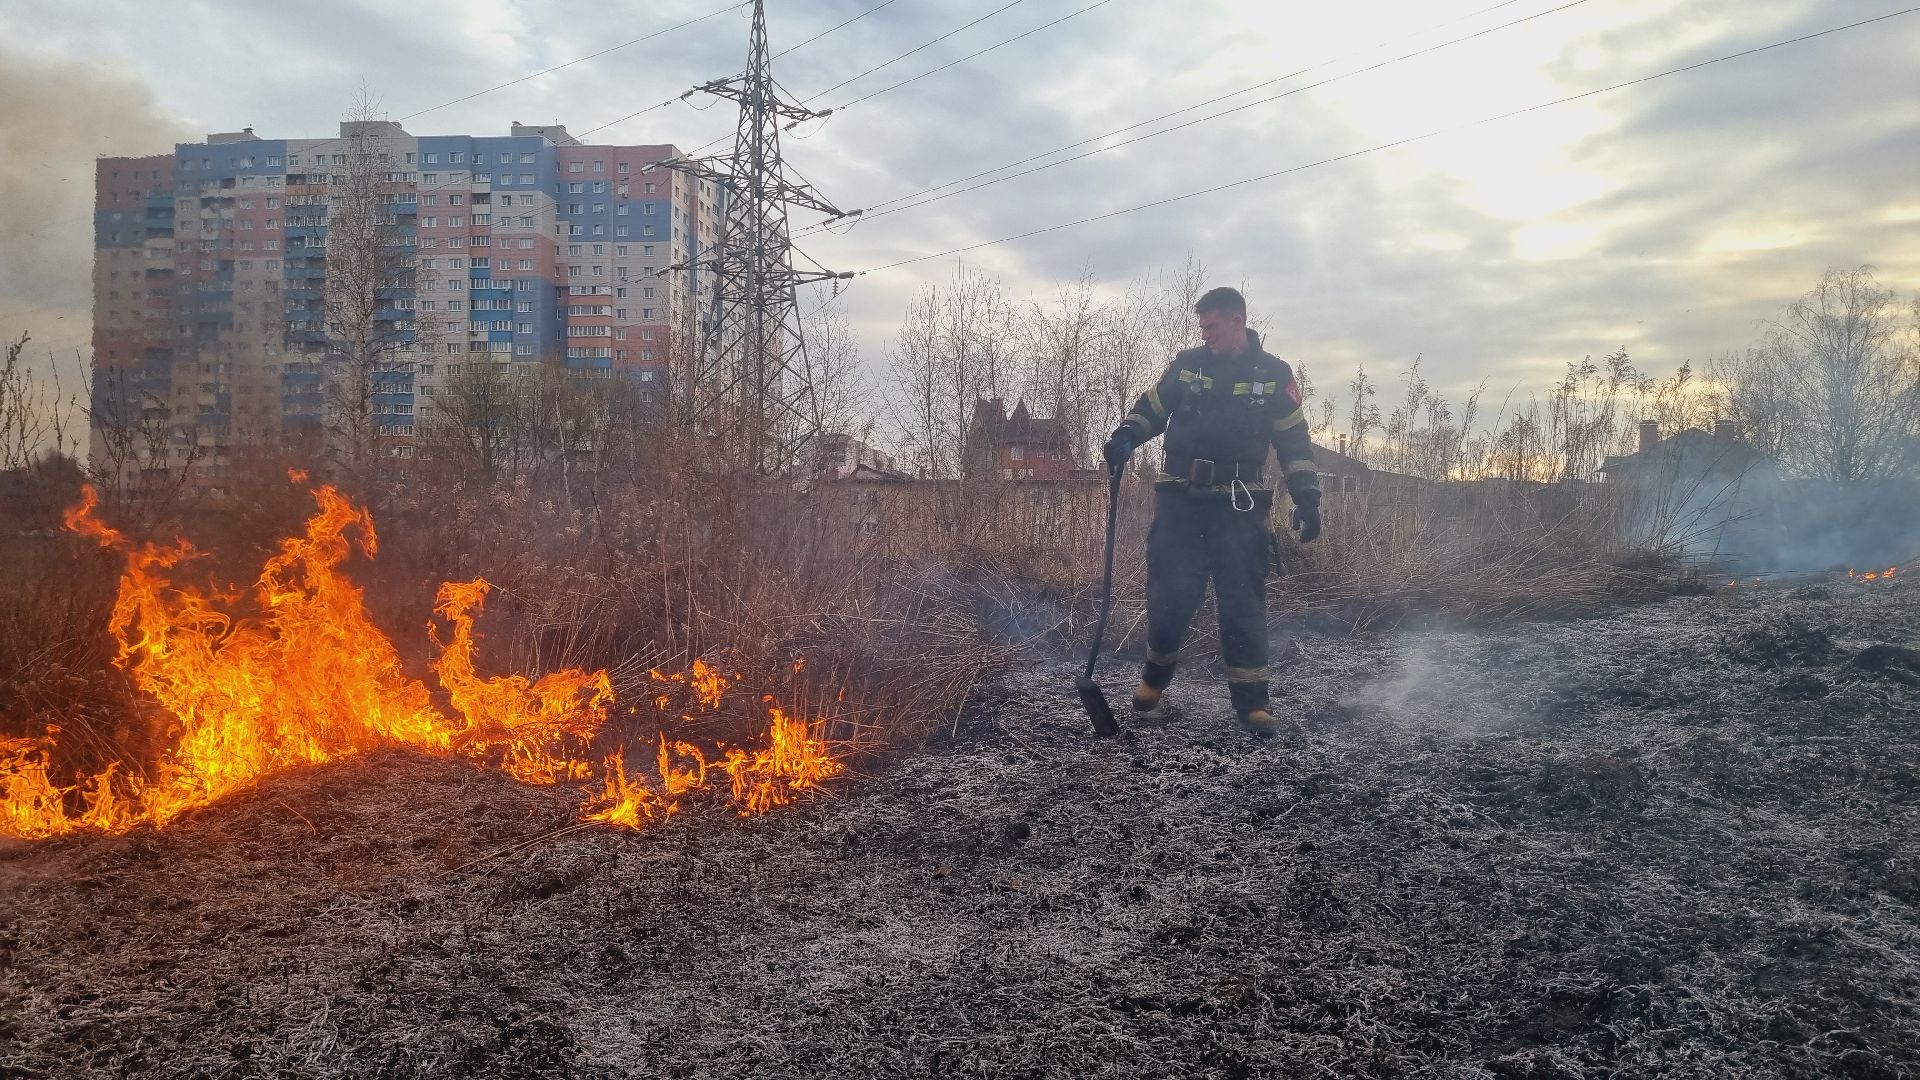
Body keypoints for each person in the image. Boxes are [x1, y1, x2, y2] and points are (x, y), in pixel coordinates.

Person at [1102, 287, 1321, 734]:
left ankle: (1253, 704)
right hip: (1180, 499)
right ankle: (1153, 682)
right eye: (1202, 328)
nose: (1206, 335)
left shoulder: (1274, 374)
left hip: (1239, 505)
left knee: (1242, 599)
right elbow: (1152, 408)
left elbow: (1294, 442)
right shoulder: (1188, 364)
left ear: (1238, 321)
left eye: (1213, 326)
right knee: (1170, 594)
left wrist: (1308, 497)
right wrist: (1127, 434)